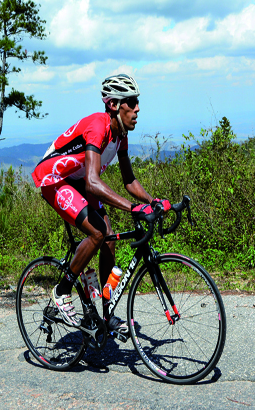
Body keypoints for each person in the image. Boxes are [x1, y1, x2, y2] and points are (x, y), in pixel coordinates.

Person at [31, 74, 171, 333]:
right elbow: (93, 183)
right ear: (115, 105)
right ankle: (62, 291)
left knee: (109, 240)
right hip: (54, 179)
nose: (138, 108)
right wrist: (133, 208)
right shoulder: (99, 125)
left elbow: (129, 180)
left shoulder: (121, 135)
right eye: (132, 102)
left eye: (137, 101)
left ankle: (105, 316)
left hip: (79, 181)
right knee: (98, 232)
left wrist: (153, 202)